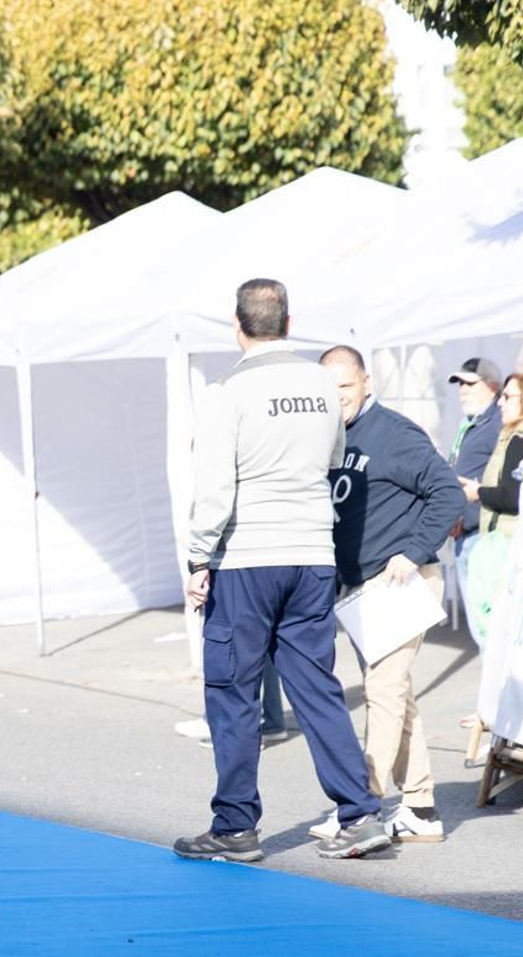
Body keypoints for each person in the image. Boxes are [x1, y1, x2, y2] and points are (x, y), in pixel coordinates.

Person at [175, 278, 388, 863]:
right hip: (311, 553)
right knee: (317, 687)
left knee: (234, 693)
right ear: (288, 323)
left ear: (237, 326)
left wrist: (199, 557)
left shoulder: (227, 391)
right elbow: (331, 458)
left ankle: (236, 826)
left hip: (247, 557)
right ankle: (360, 813)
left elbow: (214, 487)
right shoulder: (321, 384)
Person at [315, 346, 461, 844]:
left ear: (366, 382)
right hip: (361, 590)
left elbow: (448, 492)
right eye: (329, 388)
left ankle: (361, 807)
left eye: (345, 386)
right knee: (398, 695)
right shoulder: (331, 436)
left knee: (382, 693)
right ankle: (420, 809)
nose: (338, 397)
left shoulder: (395, 433)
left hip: (399, 581)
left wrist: (413, 552)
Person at [462, 374, 523, 645]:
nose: (500, 402)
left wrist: (477, 492)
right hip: (509, 543)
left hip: (503, 545)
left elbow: (512, 497)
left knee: (492, 633)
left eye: (508, 397)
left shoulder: (518, 439)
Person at [445, 358, 502, 645]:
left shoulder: (498, 424)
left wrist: (476, 494)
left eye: (470, 383)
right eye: (460, 384)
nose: (463, 391)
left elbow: (505, 480)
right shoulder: (470, 423)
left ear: (491, 386)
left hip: (485, 536)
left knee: (490, 627)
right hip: (464, 533)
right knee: (480, 628)